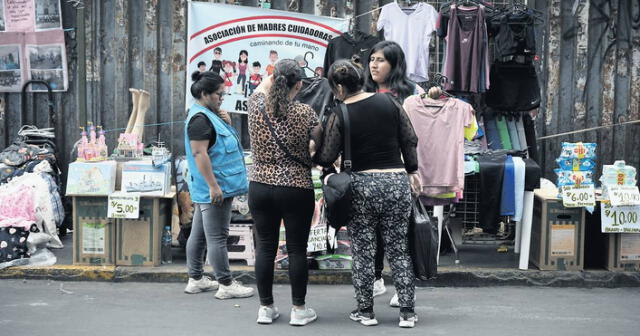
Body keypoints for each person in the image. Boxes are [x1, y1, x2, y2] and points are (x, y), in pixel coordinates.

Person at [315, 58, 421, 328]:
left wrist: (325, 162)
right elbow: (409, 137)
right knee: (399, 250)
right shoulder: (388, 101)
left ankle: (366, 312)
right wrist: (412, 169)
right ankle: (407, 312)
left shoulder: (341, 113)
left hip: (361, 185)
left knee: (363, 251)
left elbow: (327, 154)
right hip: (396, 183)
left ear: (338, 87)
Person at [247, 59, 322, 326]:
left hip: (260, 185)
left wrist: (275, 75)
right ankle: (299, 310)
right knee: (297, 250)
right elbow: (320, 145)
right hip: (296, 187)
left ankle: (265, 308)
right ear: (299, 84)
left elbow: (264, 86)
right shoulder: (305, 112)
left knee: (265, 247)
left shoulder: (254, 105)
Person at [183, 70, 254, 300]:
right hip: (215, 188)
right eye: (218, 94)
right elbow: (199, 153)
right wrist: (214, 186)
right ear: (204, 93)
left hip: (214, 186)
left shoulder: (207, 114)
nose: (222, 98)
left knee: (200, 234)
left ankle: (196, 279)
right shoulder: (200, 119)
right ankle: (225, 283)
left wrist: (228, 122)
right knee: (218, 237)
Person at [363, 40, 423, 306]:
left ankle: (403, 288)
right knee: (371, 232)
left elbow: (413, 138)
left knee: (402, 235)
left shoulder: (411, 94)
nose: (374, 65)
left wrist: (413, 171)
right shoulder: (363, 91)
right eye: (372, 59)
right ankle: (375, 280)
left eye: (381, 60)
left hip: (400, 172)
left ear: (394, 64)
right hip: (367, 173)